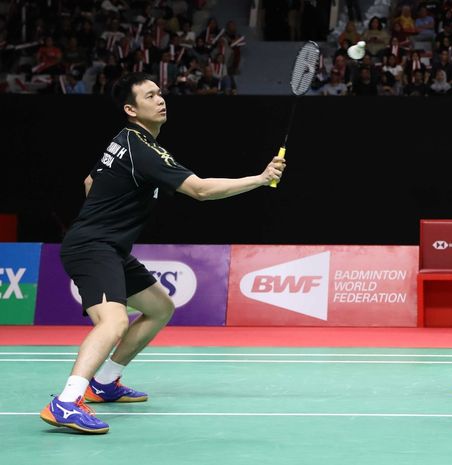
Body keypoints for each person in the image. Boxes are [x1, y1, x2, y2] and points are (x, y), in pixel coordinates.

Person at [39, 73, 286, 434]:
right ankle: (65, 401)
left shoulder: (123, 140)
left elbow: (89, 183)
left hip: (108, 245)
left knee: (159, 308)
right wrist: (261, 179)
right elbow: (200, 191)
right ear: (131, 109)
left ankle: (105, 382)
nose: (160, 99)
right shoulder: (144, 149)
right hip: (93, 247)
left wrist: (111, 209)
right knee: (114, 322)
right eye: (150, 95)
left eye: (160, 93)